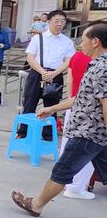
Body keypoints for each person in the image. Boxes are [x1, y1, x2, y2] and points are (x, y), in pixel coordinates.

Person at [11, 21, 107, 218]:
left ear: (95, 42)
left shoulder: (102, 68)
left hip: (89, 133)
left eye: (84, 40)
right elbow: (81, 98)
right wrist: (52, 108)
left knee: (63, 171)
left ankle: (36, 205)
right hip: (96, 134)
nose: (81, 44)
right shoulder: (96, 65)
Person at [16, 9, 75, 140]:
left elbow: (69, 60)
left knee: (52, 105)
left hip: (56, 75)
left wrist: (55, 73)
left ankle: (48, 134)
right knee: (30, 103)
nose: (60, 24)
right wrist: (43, 72)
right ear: (49, 21)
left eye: (62, 21)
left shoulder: (67, 41)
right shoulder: (38, 38)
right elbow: (30, 57)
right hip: (37, 73)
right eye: (57, 21)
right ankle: (23, 132)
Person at [60, 49, 95, 200]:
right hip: (91, 111)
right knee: (88, 149)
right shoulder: (100, 62)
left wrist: (71, 100)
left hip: (73, 104)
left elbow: (70, 78)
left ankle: (63, 181)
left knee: (68, 145)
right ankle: (75, 187)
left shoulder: (77, 55)